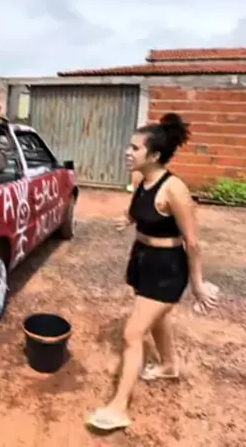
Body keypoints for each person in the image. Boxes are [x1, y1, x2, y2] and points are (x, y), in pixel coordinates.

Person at [87, 113, 219, 431]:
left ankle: (119, 407)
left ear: (155, 155)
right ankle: (170, 365)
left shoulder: (174, 189)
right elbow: (140, 211)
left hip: (167, 268)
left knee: (133, 334)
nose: (127, 152)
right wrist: (128, 220)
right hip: (142, 259)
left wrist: (198, 285)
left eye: (135, 148)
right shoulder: (140, 180)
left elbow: (193, 242)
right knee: (156, 319)